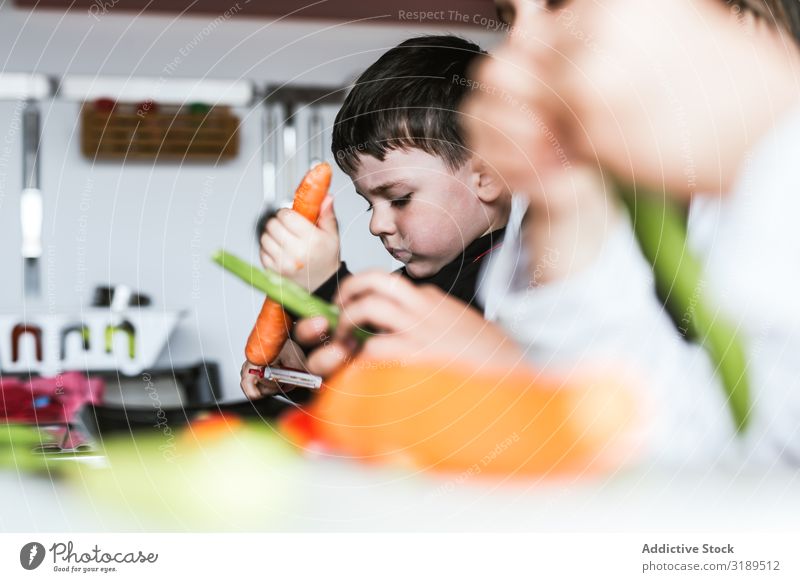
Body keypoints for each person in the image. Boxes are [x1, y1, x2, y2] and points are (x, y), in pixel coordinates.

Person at [297, 0, 800, 468]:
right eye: (510, 16)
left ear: (732, 14)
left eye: (559, 3)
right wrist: (566, 207)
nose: (509, 61)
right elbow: (697, 435)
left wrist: (517, 372)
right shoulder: (627, 194)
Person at [240, 35, 515, 400]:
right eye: (369, 204)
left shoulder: (511, 281)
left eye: (399, 199)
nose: (376, 225)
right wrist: (303, 372)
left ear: (488, 177)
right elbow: (367, 403)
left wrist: (324, 285)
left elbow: (415, 392)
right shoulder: (409, 285)